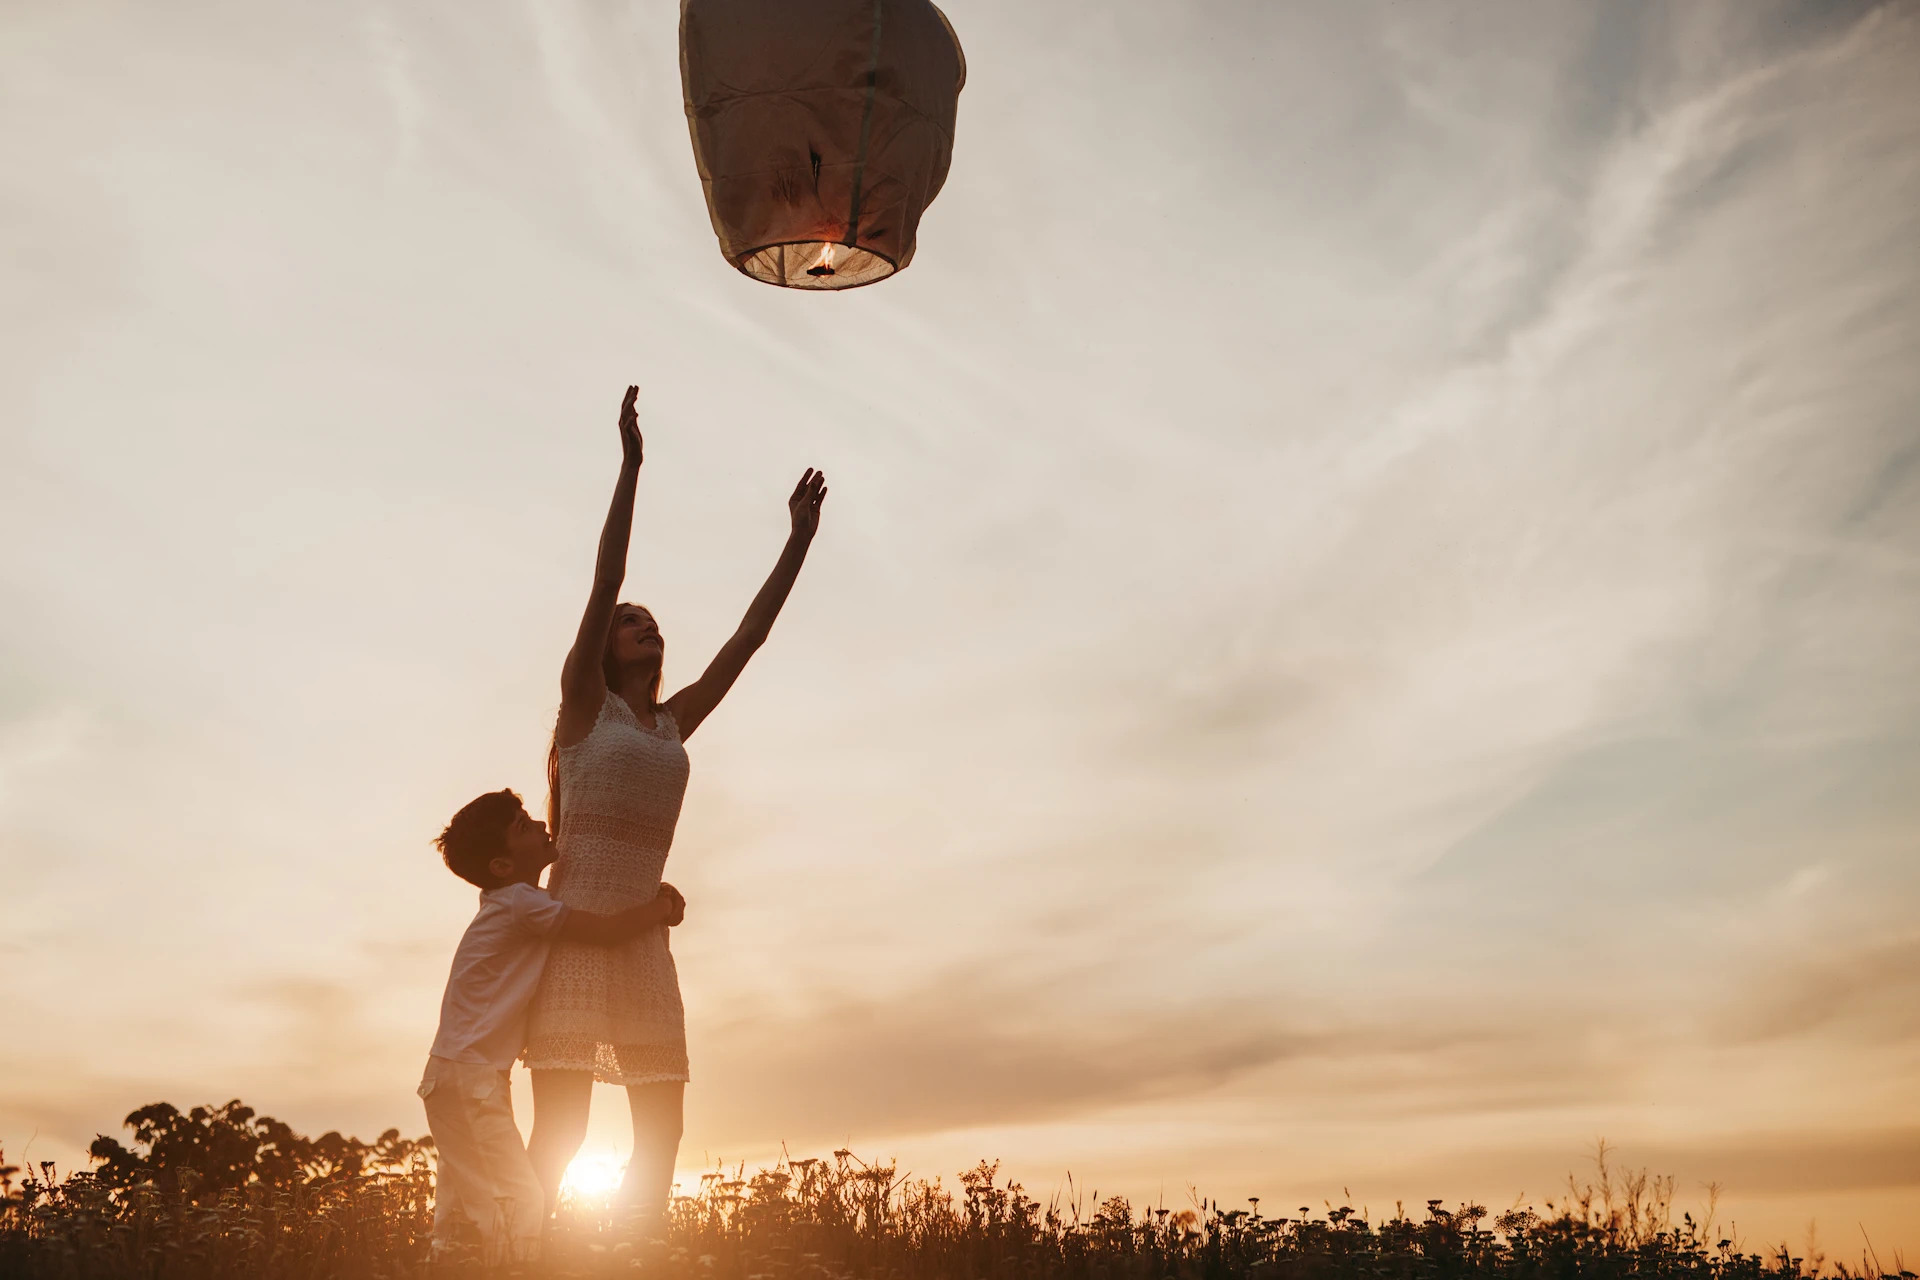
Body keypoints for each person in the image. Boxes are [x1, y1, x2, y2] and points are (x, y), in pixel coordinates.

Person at [524, 384, 827, 1228]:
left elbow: (749, 639)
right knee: (563, 1135)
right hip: (578, 936)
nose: (643, 624)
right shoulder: (585, 706)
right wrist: (631, 467)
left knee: (662, 1132)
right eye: (630, 623)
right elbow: (607, 574)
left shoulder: (671, 720)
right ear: (603, 646)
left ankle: (628, 1257)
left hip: (647, 944)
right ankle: (521, 1254)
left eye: (651, 621)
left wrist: (797, 541)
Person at [421, 787, 685, 1264]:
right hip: (471, 1077)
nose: (543, 826)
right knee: (517, 1200)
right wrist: (661, 908)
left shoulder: (514, 904)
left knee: (461, 1205)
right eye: (523, 826)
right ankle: (515, 1270)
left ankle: (455, 1268)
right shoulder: (523, 905)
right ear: (502, 866)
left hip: (454, 1075)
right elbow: (604, 933)